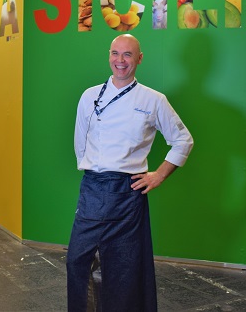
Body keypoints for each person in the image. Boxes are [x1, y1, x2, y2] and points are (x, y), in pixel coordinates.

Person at [67, 34, 194, 312]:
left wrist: (159, 174)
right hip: (92, 188)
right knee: (78, 262)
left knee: (124, 269)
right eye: (115, 53)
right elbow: (80, 140)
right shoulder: (89, 96)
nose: (120, 61)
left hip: (128, 193)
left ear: (139, 58)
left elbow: (183, 140)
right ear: (109, 55)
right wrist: (93, 168)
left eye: (127, 55)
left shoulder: (153, 99)